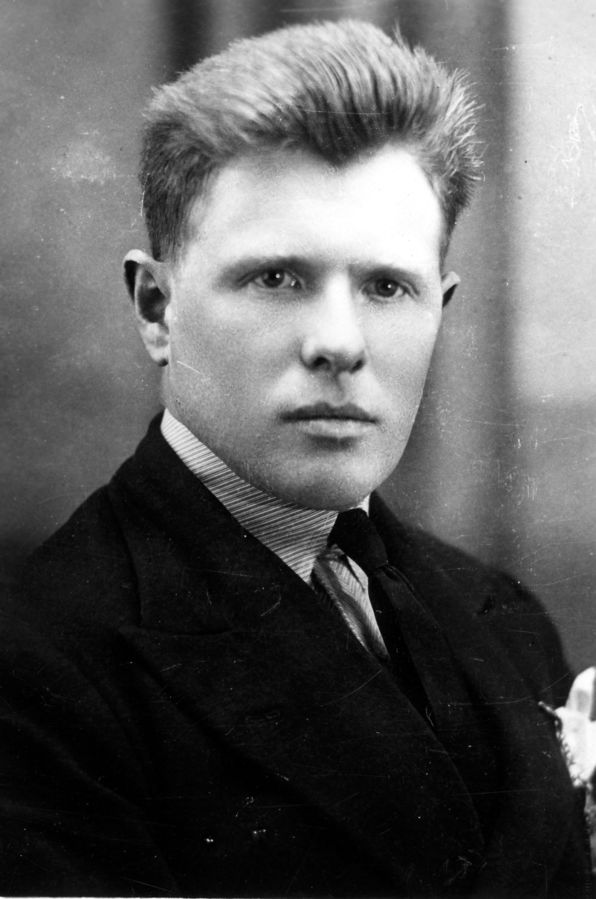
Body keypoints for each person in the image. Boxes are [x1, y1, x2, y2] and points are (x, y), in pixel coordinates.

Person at [0, 19, 591, 897]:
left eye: (387, 286)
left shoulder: (503, 617)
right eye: (277, 278)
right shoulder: (40, 672)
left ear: (442, 308)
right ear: (157, 308)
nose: (339, 342)